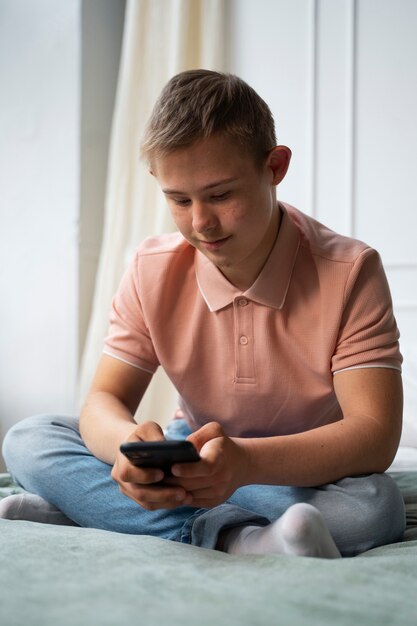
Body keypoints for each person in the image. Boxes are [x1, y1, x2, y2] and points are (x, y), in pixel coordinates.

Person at [0, 70, 406, 558]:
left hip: (299, 471)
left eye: (220, 195)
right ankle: (244, 539)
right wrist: (131, 447)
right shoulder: (151, 268)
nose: (201, 222)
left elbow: (374, 435)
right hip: (191, 454)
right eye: (178, 199)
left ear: (275, 167)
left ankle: (98, 514)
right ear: (159, 182)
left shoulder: (351, 270)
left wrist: (245, 463)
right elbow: (103, 400)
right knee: (29, 439)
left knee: (375, 506)